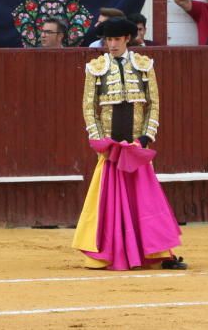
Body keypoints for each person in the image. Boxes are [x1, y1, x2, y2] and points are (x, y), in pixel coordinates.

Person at [72, 18, 186, 271]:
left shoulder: (144, 66)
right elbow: (88, 108)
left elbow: (153, 104)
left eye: (116, 39)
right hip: (111, 148)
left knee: (146, 202)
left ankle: (159, 253)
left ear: (126, 39)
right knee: (110, 205)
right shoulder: (95, 68)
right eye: (108, 40)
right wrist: (100, 141)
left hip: (136, 147)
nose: (111, 45)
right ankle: (108, 253)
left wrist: (145, 138)